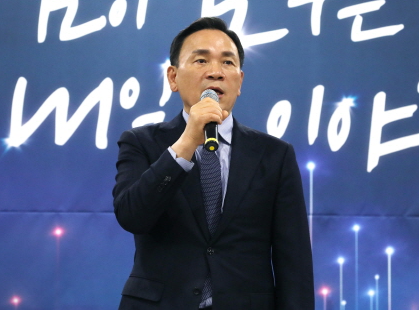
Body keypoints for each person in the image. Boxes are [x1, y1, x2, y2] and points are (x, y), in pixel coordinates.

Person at [113, 17, 314, 310]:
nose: (216, 72)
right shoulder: (141, 142)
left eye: (227, 62)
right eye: (201, 61)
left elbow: (293, 260)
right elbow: (132, 216)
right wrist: (186, 142)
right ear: (173, 77)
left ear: (239, 81)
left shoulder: (275, 155)